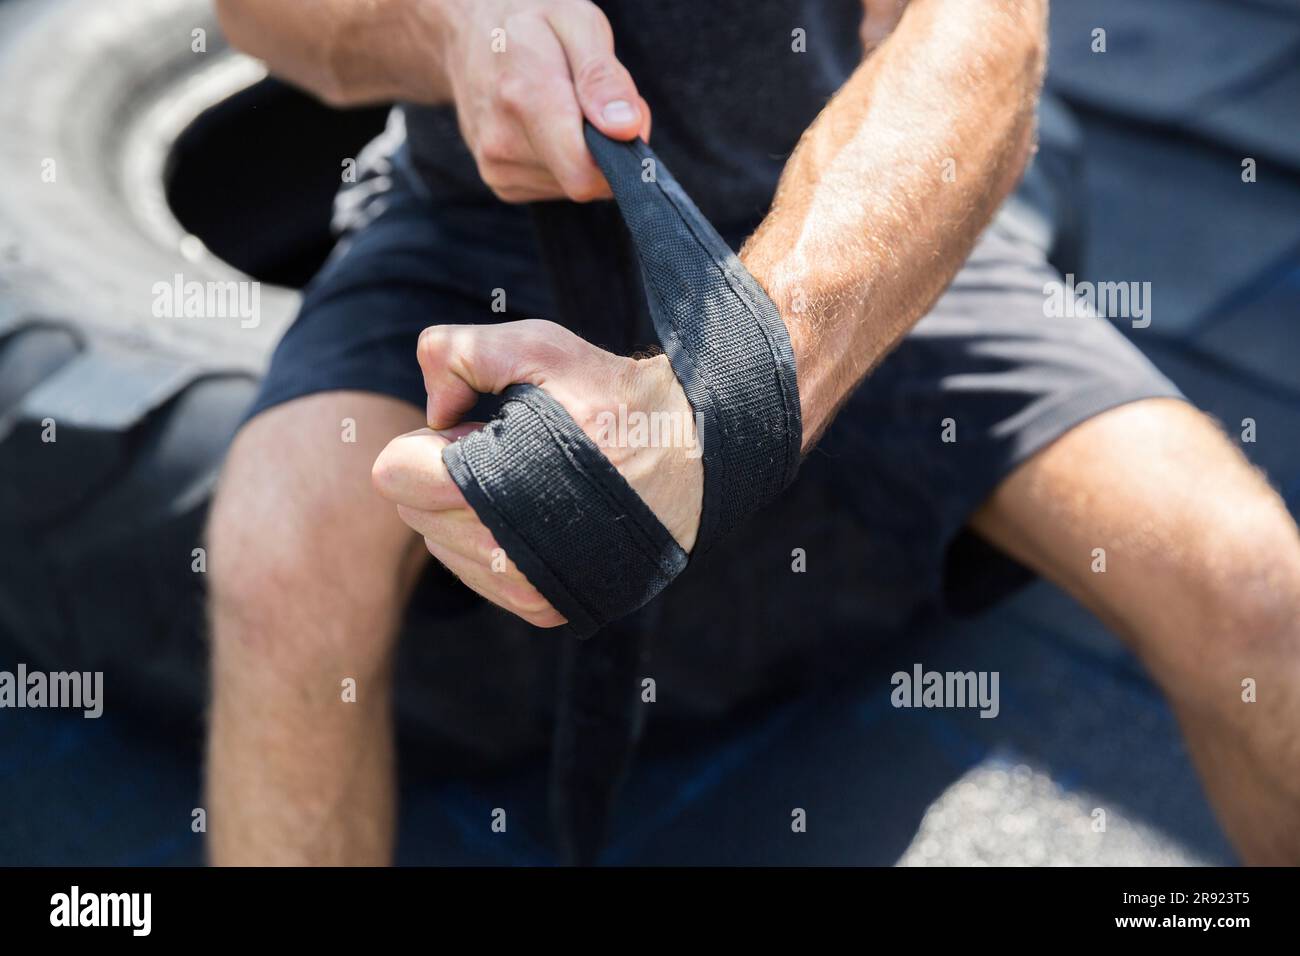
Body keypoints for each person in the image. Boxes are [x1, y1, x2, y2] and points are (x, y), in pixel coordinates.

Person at [205, 0, 1300, 865]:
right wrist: (448, 23)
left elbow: (982, 32)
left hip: (851, 216)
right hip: (465, 228)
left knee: (1253, 591)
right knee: (275, 557)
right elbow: (258, 10)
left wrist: (723, 396)